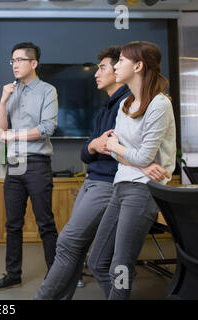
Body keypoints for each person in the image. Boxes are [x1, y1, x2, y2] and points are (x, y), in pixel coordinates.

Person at [34, 46, 131, 300]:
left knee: (66, 244)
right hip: (93, 181)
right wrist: (93, 145)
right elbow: (86, 153)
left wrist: (97, 147)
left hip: (107, 185)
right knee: (74, 249)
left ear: (119, 70)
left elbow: (114, 151)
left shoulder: (127, 105)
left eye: (102, 68)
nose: (96, 73)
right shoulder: (105, 108)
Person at [87, 41, 176, 300]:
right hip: (121, 185)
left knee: (120, 266)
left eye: (122, 61)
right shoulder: (126, 103)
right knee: (97, 261)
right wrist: (138, 160)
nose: (116, 65)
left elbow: (127, 150)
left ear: (138, 66)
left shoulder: (160, 104)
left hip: (143, 191)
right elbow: (117, 152)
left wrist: (125, 152)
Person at [0, 42, 58, 291]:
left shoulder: (48, 91)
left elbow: (47, 129)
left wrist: (13, 136)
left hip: (37, 163)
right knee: (13, 224)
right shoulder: (11, 91)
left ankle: (55, 275)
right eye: (13, 61)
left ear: (33, 63)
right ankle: (13, 274)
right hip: (15, 165)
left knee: (45, 223)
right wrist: (3, 100)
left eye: (20, 60)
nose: (15, 65)